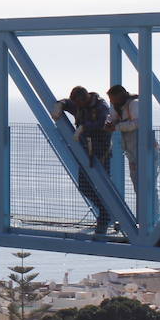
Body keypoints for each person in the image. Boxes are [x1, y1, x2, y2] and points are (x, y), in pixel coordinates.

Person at [52, 86, 113, 234]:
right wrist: (61, 103)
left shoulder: (101, 106)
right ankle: (105, 213)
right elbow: (68, 103)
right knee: (85, 186)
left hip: (101, 152)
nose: (76, 107)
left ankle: (105, 217)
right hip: (86, 152)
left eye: (78, 103)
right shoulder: (80, 105)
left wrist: (84, 128)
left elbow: (102, 123)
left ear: (84, 99)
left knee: (103, 186)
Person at [106, 84, 160, 206]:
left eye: (114, 100)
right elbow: (112, 119)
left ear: (122, 96)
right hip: (133, 154)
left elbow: (137, 123)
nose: (113, 103)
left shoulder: (134, 104)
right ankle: (143, 219)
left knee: (148, 188)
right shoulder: (117, 106)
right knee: (139, 188)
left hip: (147, 151)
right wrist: (110, 123)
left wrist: (116, 127)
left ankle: (152, 219)